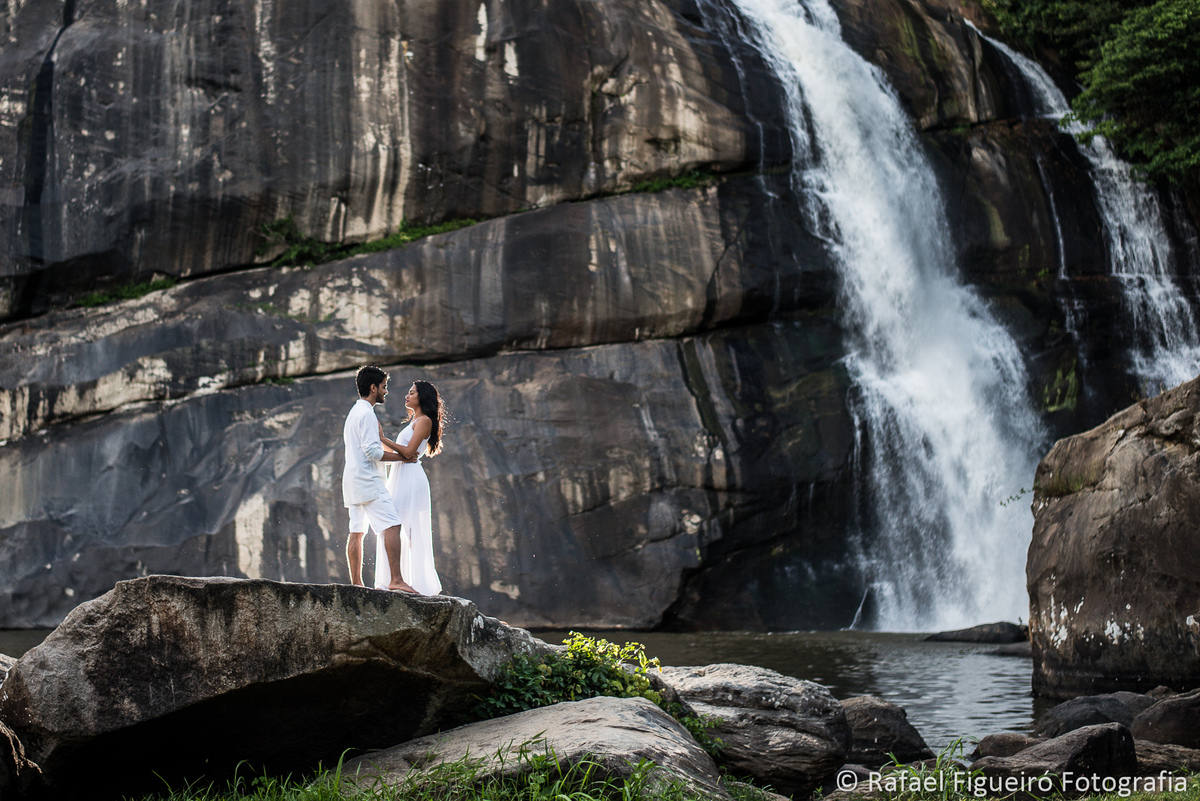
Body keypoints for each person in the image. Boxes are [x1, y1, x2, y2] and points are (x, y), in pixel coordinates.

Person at [342, 365, 416, 593]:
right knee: (393, 525)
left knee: (356, 531)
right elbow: (372, 452)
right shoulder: (366, 414)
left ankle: (356, 584)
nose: (386, 391)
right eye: (384, 387)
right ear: (373, 388)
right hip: (369, 482)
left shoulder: (355, 412)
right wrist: (402, 458)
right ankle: (396, 580)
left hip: (352, 481)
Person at [374, 380, 445, 595]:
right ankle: (396, 579)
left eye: (411, 393)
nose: (407, 395)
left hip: (411, 479)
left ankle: (416, 583)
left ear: (421, 397)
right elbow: (405, 453)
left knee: (408, 529)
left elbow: (408, 453)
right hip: (400, 476)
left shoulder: (424, 420)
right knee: (395, 526)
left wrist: (382, 438)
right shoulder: (415, 420)